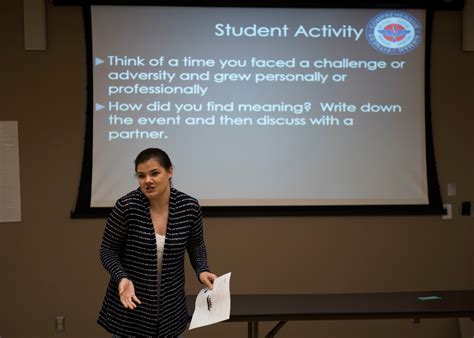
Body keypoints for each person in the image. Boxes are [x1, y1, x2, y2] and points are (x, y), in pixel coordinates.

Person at [98, 148, 217, 337]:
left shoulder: (189, 207)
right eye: (141, 175)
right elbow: (107, 251)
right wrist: (122, 277)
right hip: (130, 308)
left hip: (171, 310)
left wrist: (202, 269)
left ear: (170, 171)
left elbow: (196, 245)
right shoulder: (127, 206)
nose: (148, 181)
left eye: (154, 173)